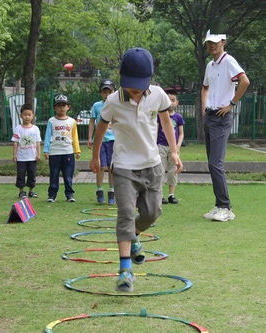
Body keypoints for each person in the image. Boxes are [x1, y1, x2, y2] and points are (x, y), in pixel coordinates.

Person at [90, 47, 183, 292]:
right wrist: (95, 156)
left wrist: (174, 151)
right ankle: (125, 270)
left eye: (140, 85)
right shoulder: (113, 102)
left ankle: (134, 237)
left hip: (152, 165)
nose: (136, 90)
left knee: (153, 213)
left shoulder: (158, 95)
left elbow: (165, 122)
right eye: (131, 84)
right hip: (123, 167)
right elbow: (100, 128)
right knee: (125, 215)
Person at [201, 30, 250, 222]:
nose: (212, 46)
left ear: (223, 42)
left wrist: (232, 103)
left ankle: (225, 207)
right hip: (210, 116)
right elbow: (205, 87)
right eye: (209, 43)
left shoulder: (228, 61)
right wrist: (204, 106)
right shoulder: (210, 65)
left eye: (215, 42)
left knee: (216, 163)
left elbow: (245, 81)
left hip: (222, 118)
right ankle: (219, 205)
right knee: (212, 164)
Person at [43, 94, 81, 202]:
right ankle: (52, 195)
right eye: (58, 105)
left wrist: (77, 150)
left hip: (68, 152)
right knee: (54, 175)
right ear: (54, 108)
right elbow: (47, 136)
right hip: (54, 152)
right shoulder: (51, 121)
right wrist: (46, 150)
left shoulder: (72, 121)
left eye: (64, 105)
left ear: (68, 107)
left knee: (68, 175)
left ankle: (69, 195)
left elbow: (75, 136)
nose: (61, 108)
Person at [88, 79, 116, 204]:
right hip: (100, 141)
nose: (107, 95)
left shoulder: (117, 105)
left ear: (114, 92)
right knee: (100, 167)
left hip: (113, 140)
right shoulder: (96, 106)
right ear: (101, 93)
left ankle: (112, 192)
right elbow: (92, 121)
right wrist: (90, 138)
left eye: (109, 92)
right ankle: (99, 191)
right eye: (104, 92)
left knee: (112, 167)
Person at [157, 90, 185, 205]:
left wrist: (177, 145)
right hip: (161, 145)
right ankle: (160, 195)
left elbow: (181, 133)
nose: (170, 102)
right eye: (168, 100)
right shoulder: (160, 116)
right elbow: (156, 130)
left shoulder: (178, 117)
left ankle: (171, 194)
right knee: (160, 170)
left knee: (173, 170)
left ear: (177, 102)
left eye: (173, 100)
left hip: (173, 148)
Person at [12, 105, 41, 199]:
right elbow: (16, 143)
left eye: (29, 115)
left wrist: (38, 154)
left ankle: (31, 191)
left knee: (32, 174)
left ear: (33, 116)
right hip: (21, 158)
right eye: (25, 115)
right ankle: (21, 192)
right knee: (21, 175)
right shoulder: (18, 129)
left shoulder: (35, 129)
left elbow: (38, 143)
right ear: (21, 116)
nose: (27, 117)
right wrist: (14, 155)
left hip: (32, 157)